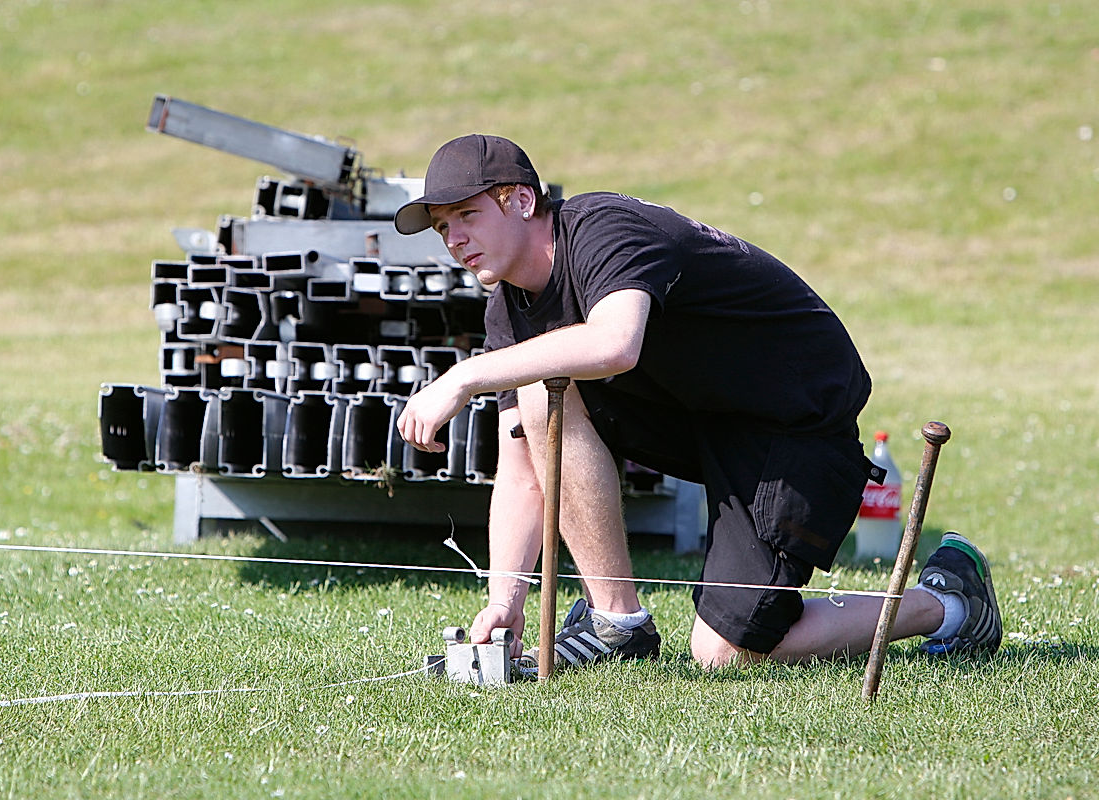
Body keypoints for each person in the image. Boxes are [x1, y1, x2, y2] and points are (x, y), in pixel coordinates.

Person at [393, 134, 1002, 669]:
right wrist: (506, 600)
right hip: (701, 415)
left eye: (467, 215)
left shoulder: (604, 230)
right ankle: (616, 622)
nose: (455, 239)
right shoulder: (509, 308)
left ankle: (950, 603)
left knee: (726, 651)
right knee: (537, 387)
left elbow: (615, 344)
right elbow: (522, 467)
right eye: (443, 227)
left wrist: (463, 377)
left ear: (522, 201)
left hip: (792, 420)